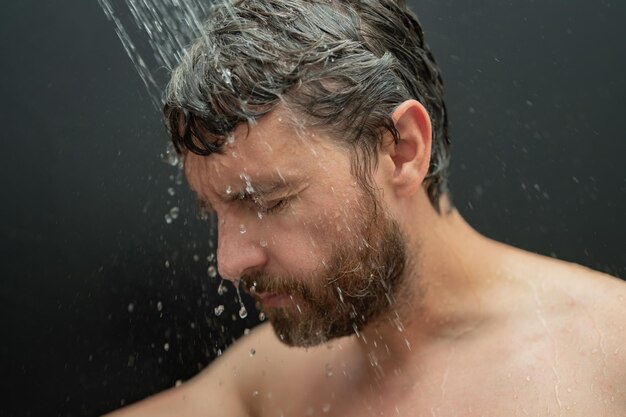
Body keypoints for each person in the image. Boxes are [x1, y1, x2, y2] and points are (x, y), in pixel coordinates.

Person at [106, 0, 626, 415]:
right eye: (212, 211)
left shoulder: (609, 357)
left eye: (267, 200)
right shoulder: (271, 384)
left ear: (400, 149)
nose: (229, 262)